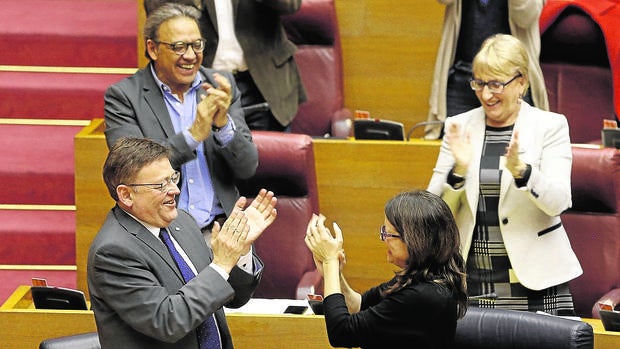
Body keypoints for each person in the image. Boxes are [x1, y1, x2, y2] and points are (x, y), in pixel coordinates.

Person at [427, 34, 582, 316]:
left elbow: (558, 202)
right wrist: (458, 171)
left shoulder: (550, 126)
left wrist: (523, 172)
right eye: (479, 83)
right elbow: (434, 213)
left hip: (537, 282)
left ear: (521, 81)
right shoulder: (459, 126)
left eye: (496, 84)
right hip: (474, 281)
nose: (486, 94)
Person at [87, 137, 277, 349]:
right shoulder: (113, 252)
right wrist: (222, 264)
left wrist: (239, 250)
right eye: (160, 185)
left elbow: (233, 296)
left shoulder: (183, 222)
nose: (174, 190)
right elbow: (167, 321)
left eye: (172, 178)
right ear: (126, 195)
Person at [104, 3, 258, 238]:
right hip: (162, 233)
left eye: (197, 45)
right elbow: (133, 171)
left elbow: (247, 167)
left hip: (222, 229)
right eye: (179, 47)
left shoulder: (219, 87)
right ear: (153, 49)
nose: (190, 56)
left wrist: (223, 125)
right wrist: (193, 135)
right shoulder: (124, 97)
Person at [304, 190, 468, 349]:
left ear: (415, 241)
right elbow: (359, 305)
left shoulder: (425, 295)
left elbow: (342, 333)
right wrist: (334, 274)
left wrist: (330, 261)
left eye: (389, 234)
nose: (383, 239)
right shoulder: (419, 276)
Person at [144, 0, 307, 132]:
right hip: (200, 85)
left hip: (264, 84)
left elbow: (291, 4)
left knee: (271, 167)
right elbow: (158, 14)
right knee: (205, 166)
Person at [425, 0, 549, 139]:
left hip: (509, 83)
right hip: (462, 77)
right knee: (453, 150)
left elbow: (525, 17)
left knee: (515, 148)